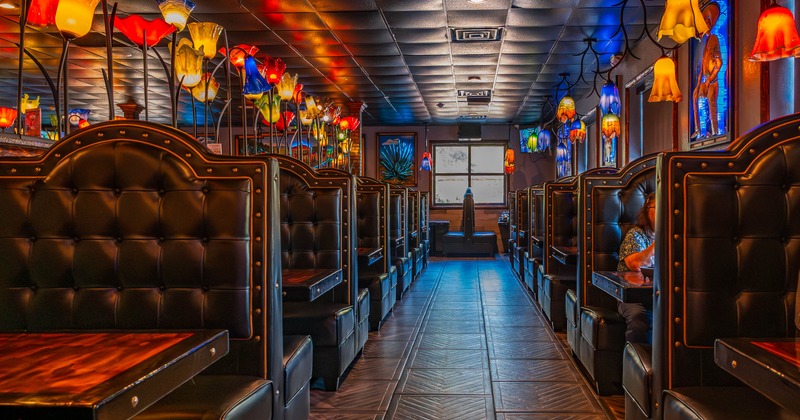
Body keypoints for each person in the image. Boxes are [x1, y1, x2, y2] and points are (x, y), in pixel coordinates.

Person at [617, 193, 656, 344]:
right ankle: (638, 363)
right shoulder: (636, 234)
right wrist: (660, 238)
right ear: (647, 210)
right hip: (634, 297)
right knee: (640, 319)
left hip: (662, 296)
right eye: (658, 208)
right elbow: (636, 264)